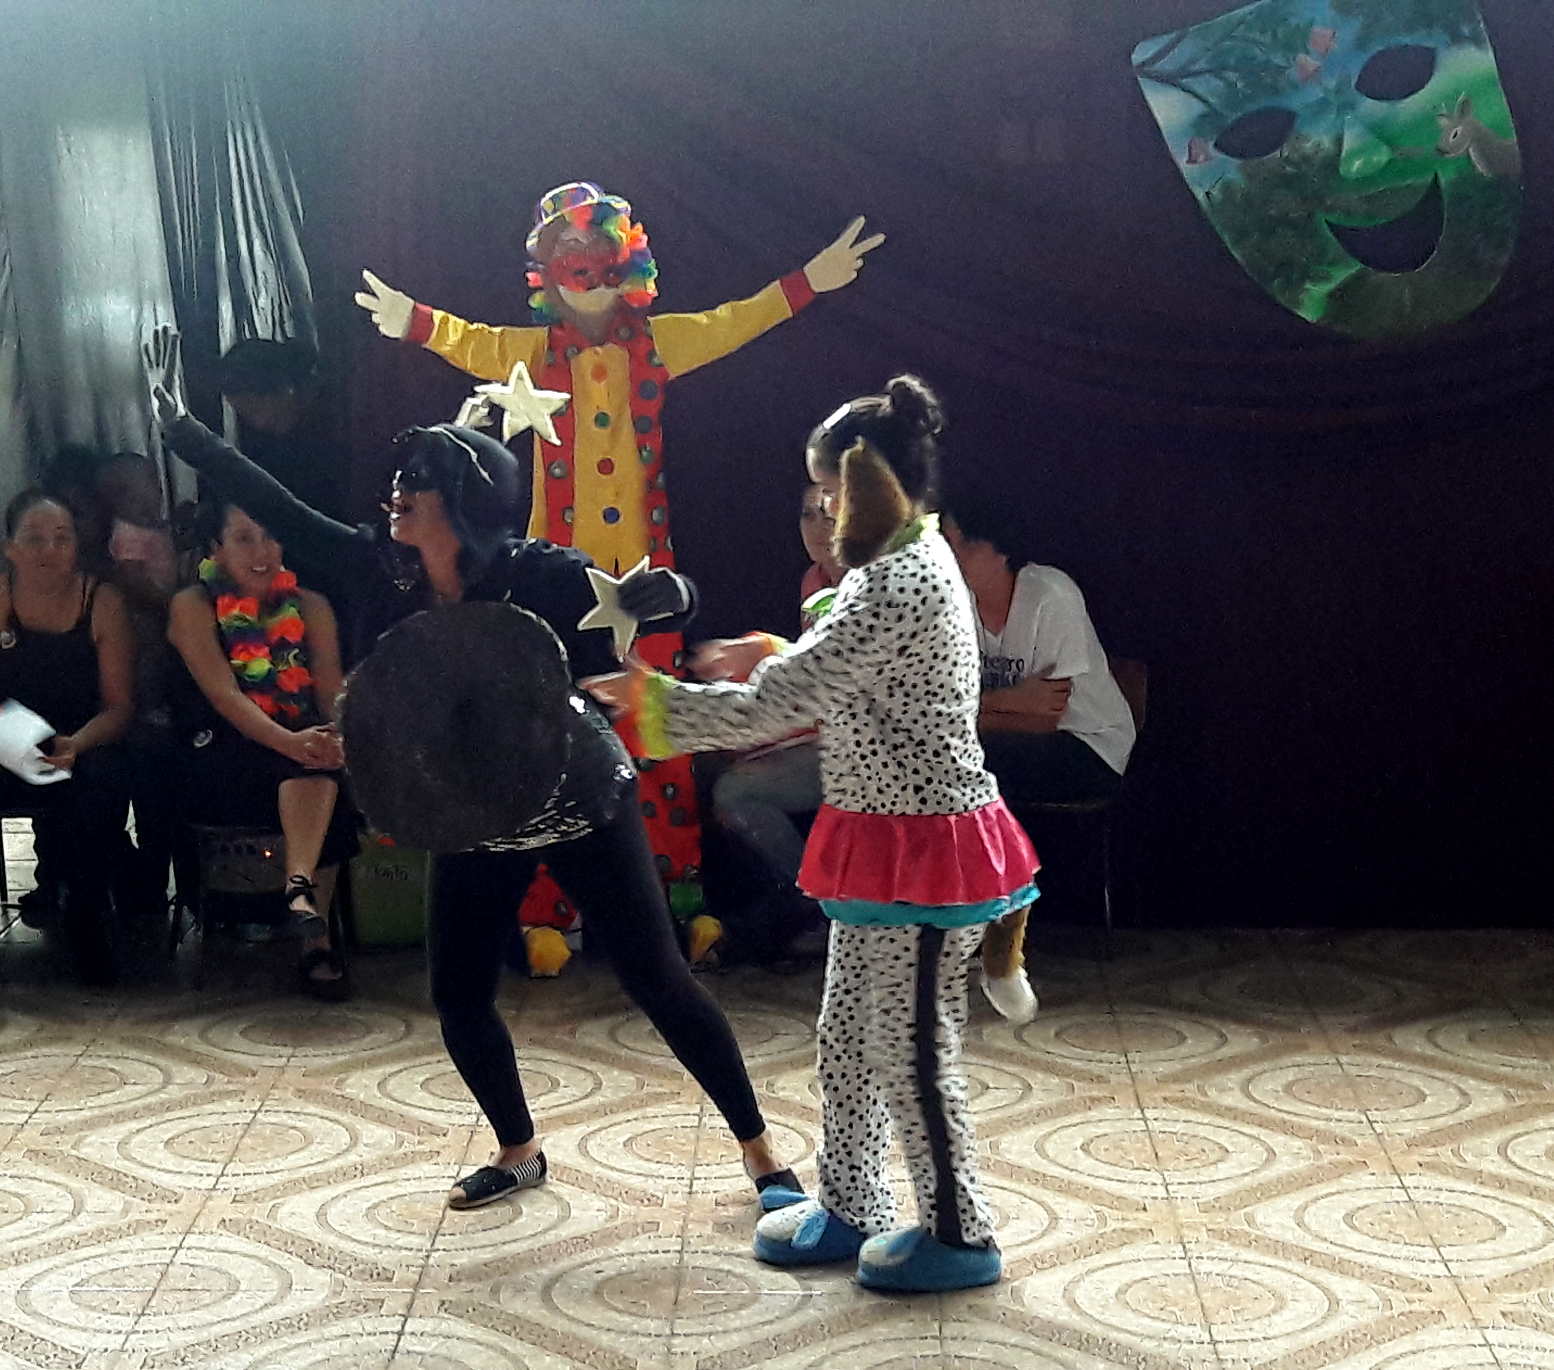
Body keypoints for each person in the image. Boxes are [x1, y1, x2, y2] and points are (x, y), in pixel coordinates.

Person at [147, 326, 801, 1213]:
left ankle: (763, 1157)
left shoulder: (544, 575)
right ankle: (519, 1148)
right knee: (457, 993)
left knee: (658, 980)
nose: (394, 497)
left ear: (463, 499)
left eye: (412, 485)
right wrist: (184, 431)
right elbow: (283, 506)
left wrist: (669, 597)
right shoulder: (382, 567)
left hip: (578, 795)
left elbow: (652, 601)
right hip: (470, 805)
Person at [587, 376, 1036, 1293]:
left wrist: (662, 709)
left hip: (927, 850)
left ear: (866, 483)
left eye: (829, 491)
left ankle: (961, 1231)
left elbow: (787, 700)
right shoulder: (897, 563)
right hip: (880, 839)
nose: (823, 510)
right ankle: (852, 1199)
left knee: (911, 1049)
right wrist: (773, 650)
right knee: (844, 1034)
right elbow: (828, 659)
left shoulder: (903, 576)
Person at [941, 499, 1136, 1006]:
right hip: (1008, 739)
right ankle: (961, 921)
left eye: (959, 540)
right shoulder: (953, 600)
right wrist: (1003, 703)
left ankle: (973, 927)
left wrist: (973, 710)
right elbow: (939, 704)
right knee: (947, 756)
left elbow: (1046, 715)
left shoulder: (1050, 595)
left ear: (996, 550)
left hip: (1089, 748)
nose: (948, 550)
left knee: (960, 760)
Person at [166, 501, 355, 998]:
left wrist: (338, 735)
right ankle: (312, 929)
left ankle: (304, 907)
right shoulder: (192, 604)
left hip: (300, 741)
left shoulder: (310, 605)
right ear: (216, 549)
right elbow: (224, 695)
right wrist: (291, 742)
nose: (261, 551)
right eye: (244, 538)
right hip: (221, 745)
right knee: (301, 760)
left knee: (327, 765)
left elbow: (331, 691)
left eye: (269, 537)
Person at [692, 483, 842, 966]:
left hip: (871, 750)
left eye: (830, 512)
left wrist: (766, 652)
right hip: (823, 733)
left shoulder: (876, 584)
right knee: (707, 767)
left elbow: (839, 682)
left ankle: (826, 910)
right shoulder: (814, 582)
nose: (818, 527)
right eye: (807, 515)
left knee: (738, 793)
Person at [0, 490, 134, 983]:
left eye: (61, 539)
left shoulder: (101, 601)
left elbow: (119, 707)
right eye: (33, 539)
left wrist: (75, 743)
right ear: (10, 548)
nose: (47, 551)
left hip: (83, 743)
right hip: (7, 742)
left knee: (102, 777)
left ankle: (87, 915)